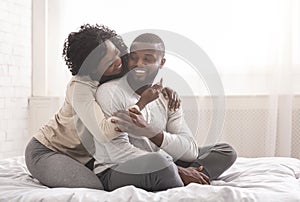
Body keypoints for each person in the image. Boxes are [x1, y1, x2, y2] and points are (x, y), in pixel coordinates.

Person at [24, 25, 180, 190]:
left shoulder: (118, 65)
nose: (119, 63)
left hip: (88, 157)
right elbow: (104, 132)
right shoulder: (81, 87)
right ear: (92, 68)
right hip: (50, 151)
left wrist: (164, 90)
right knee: (93, 187)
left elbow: (145, 73)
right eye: (108, 63)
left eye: (116, 54)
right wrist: (141, 103)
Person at [94, 33, 237, 191]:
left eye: (147, 59)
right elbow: (117, 153)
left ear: (161, 63)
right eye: (133, 57)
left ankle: (183, 177)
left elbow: (189, 151)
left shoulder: (167, 97)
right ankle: (180, 177)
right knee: (162, 165)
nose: (138, 64)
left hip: (159, 163)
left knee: (225, 152)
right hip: (116, 169)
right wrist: (177, 169)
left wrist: (152, 132)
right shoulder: (109, 92)